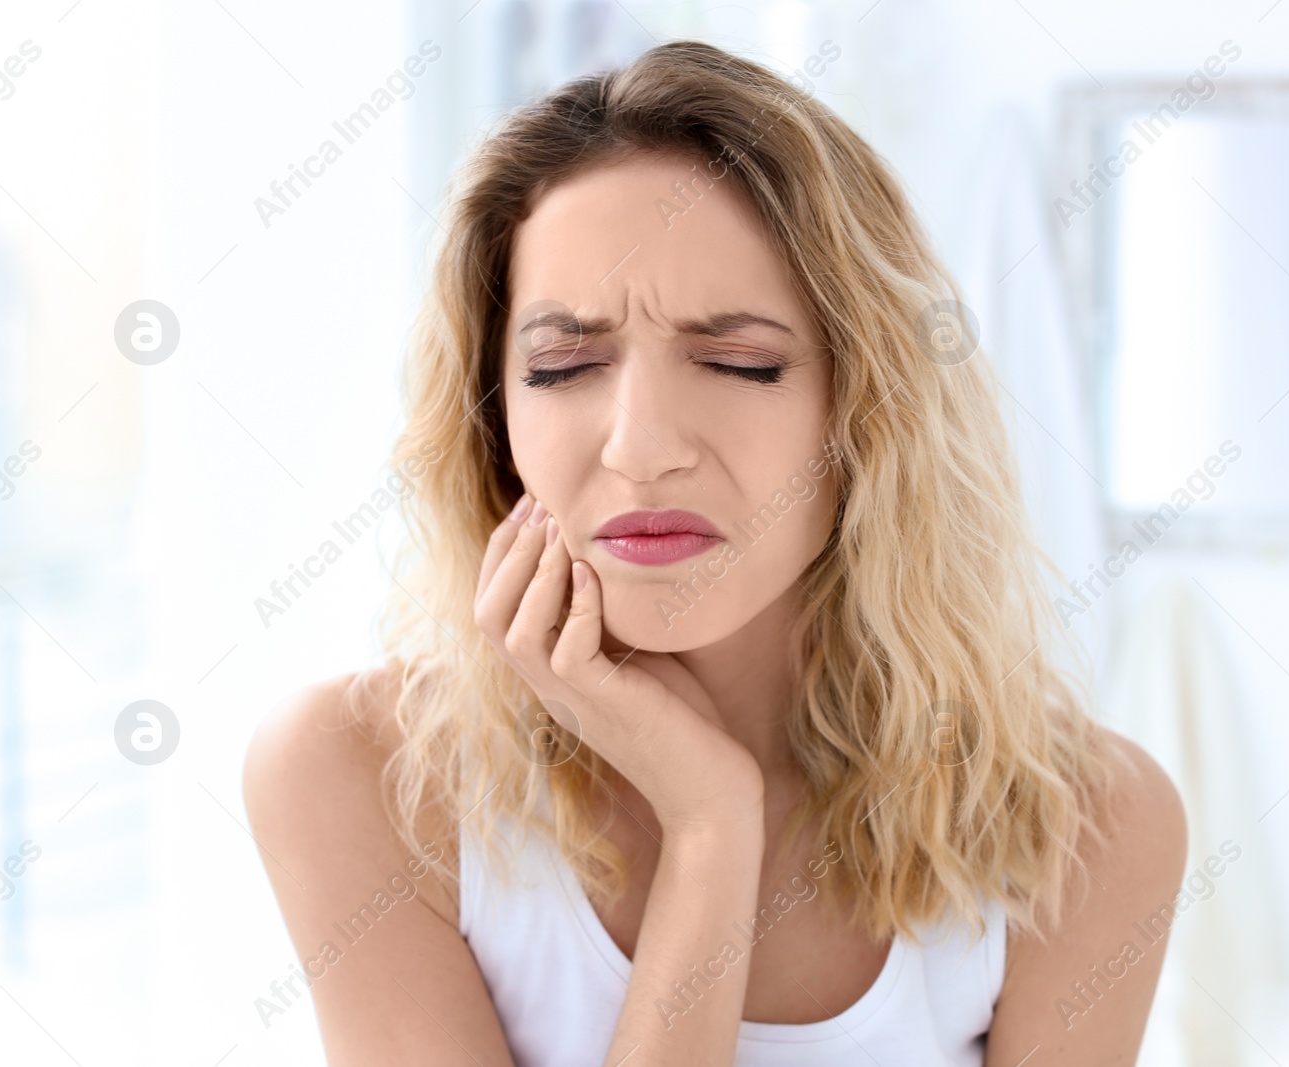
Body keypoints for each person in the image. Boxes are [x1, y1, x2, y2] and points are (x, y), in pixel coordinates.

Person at [243, 39, 1187, 1067]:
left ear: (866, 409)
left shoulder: (1089, 826)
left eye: (739, 361)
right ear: (491, 414)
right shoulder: (360, 776)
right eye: (562, 366)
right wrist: (709, 829)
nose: (641, 446)